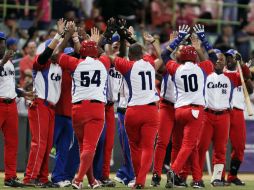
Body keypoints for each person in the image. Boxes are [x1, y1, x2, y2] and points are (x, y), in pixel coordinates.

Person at [52, 22, 111, 189]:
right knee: (89, 147)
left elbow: (56, 54)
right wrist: (92, 41)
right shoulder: (103, 63)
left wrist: (69, 36)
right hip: (95, 108)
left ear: (81, 53)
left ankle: (91, 180)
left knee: (83, 147)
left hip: (76, 109)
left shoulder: (75, 63)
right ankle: (78, 180)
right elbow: (102, 54)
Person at [161, 24, 214, 188]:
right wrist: (203, 40)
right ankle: (174, 171)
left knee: (184, 147)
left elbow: (164, 55)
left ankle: (197, 179)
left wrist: (178, 38)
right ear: (195, 57)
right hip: (195, 112)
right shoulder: (201, 68)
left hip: (179, 111)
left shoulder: (176, 68)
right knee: (189, 145)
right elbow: (211, 58)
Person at [108, 26, 161, 188]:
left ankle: (137, 179)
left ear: (130, 56)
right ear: (143, 55)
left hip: (132, 111)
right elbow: (162, 56)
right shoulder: (149, 62)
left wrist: (120, 38)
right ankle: (140, 181)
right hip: (151, 110)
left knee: (135, 148)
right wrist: (153, 43)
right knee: (147, 148)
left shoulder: (127, 65)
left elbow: (109, 56)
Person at [23, 19, 64, 188]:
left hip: (51, 108)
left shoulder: (58, 65)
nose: (58, 51)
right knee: (39, 143)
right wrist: (58, 36)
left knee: (47, 146)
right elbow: (46, 54)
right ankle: (29, 178)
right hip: (40, 104)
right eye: (55, 48)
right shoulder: (41, 63)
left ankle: (42, 177)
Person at [0, 31, 34, 188]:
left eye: (3, 41)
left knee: (12, 143)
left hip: (11, 103)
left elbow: (9, 84)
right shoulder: (5, 61)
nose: (2, 44)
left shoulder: (8, 62)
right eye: (0, 42)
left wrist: (22, 92)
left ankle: (10, 177)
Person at [51, 47, 80, 188]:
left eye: (72, 56)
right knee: (47, 147)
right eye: (68, 56)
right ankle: (37, 175)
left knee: (63, 149)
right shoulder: (55, 70)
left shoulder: (76, 72)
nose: (70, 58)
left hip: (69, 115)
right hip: (56, 113)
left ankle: (58, 177)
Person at [151, 31, 177, 187]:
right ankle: (156, 174)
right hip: (167, 106)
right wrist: (170, 46)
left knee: (178, 144)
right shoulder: (170, 63)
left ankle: (174, 173)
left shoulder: (190, 65)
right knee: (162, 142)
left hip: (181, 107)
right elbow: (158, 65)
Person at [224, 49, 253, 185]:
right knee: (220, 146)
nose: (229, 59)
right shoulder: (221, 73)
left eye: (232, 57)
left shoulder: (241, 74)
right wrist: (244, 68)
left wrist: (242, 66)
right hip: (223, 111)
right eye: (228, 57)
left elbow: (251, 89)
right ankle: (218, 176)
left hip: (238, 112)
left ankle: (232, 176)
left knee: (239, 146)